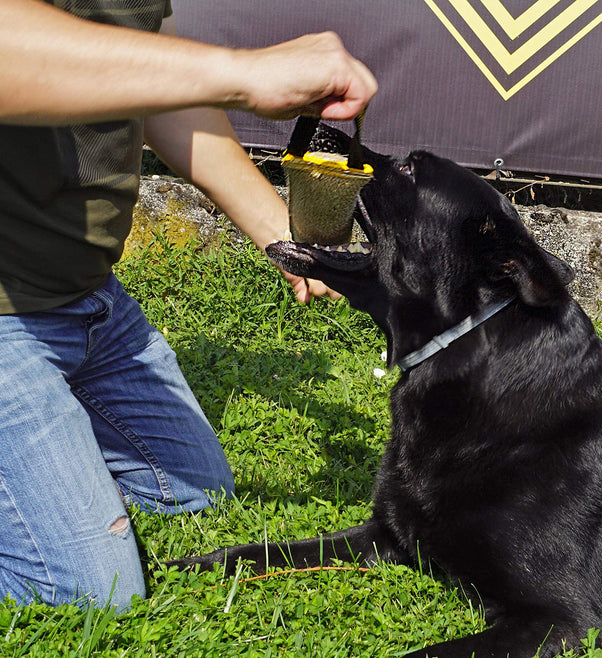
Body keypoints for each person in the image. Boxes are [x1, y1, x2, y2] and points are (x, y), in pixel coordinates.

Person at [0, 0, 377, 611]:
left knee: (188, 495)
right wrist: (244, 73)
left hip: (87, 295)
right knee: (89, 593)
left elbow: (151, 81)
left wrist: (279, 234)